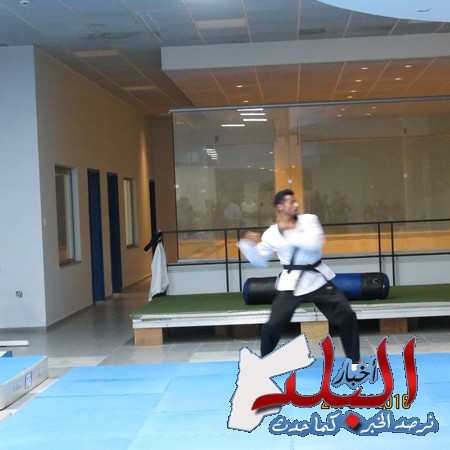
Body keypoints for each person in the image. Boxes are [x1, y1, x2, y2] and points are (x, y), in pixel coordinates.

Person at [238, 189, 361, 364]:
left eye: (295, 201)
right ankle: (263, 362)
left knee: (347, 315)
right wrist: (248, 246)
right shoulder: (271, 233)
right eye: (291, 202)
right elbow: (259, 261)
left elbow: (314, 244)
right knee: (273, 325)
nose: (296, 205)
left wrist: (288, 232)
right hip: (291, 282)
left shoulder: (309, 220)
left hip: (316, 279)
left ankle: (354, 359)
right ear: (280, 207)